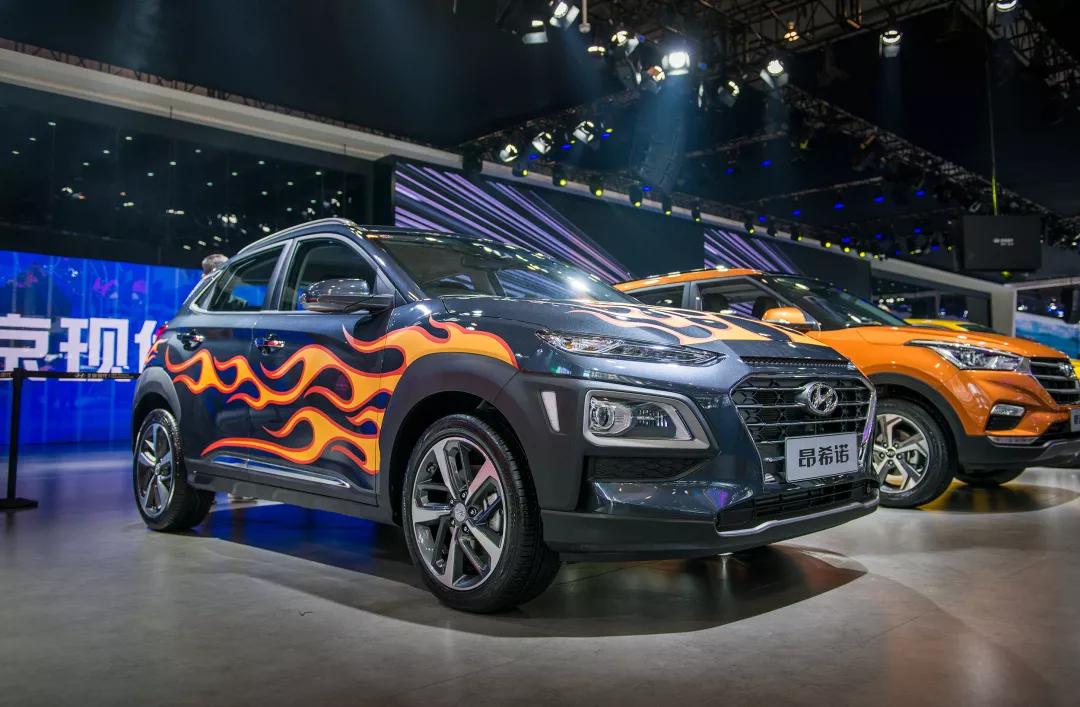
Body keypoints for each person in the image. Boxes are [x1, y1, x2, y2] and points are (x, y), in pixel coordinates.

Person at [197, 253, 256, 505]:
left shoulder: (234, 302)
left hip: (229, 372)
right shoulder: (203, 300)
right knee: (209, 426)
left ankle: (233, 486)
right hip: (206, 372)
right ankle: (208, 488)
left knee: (234, 426)